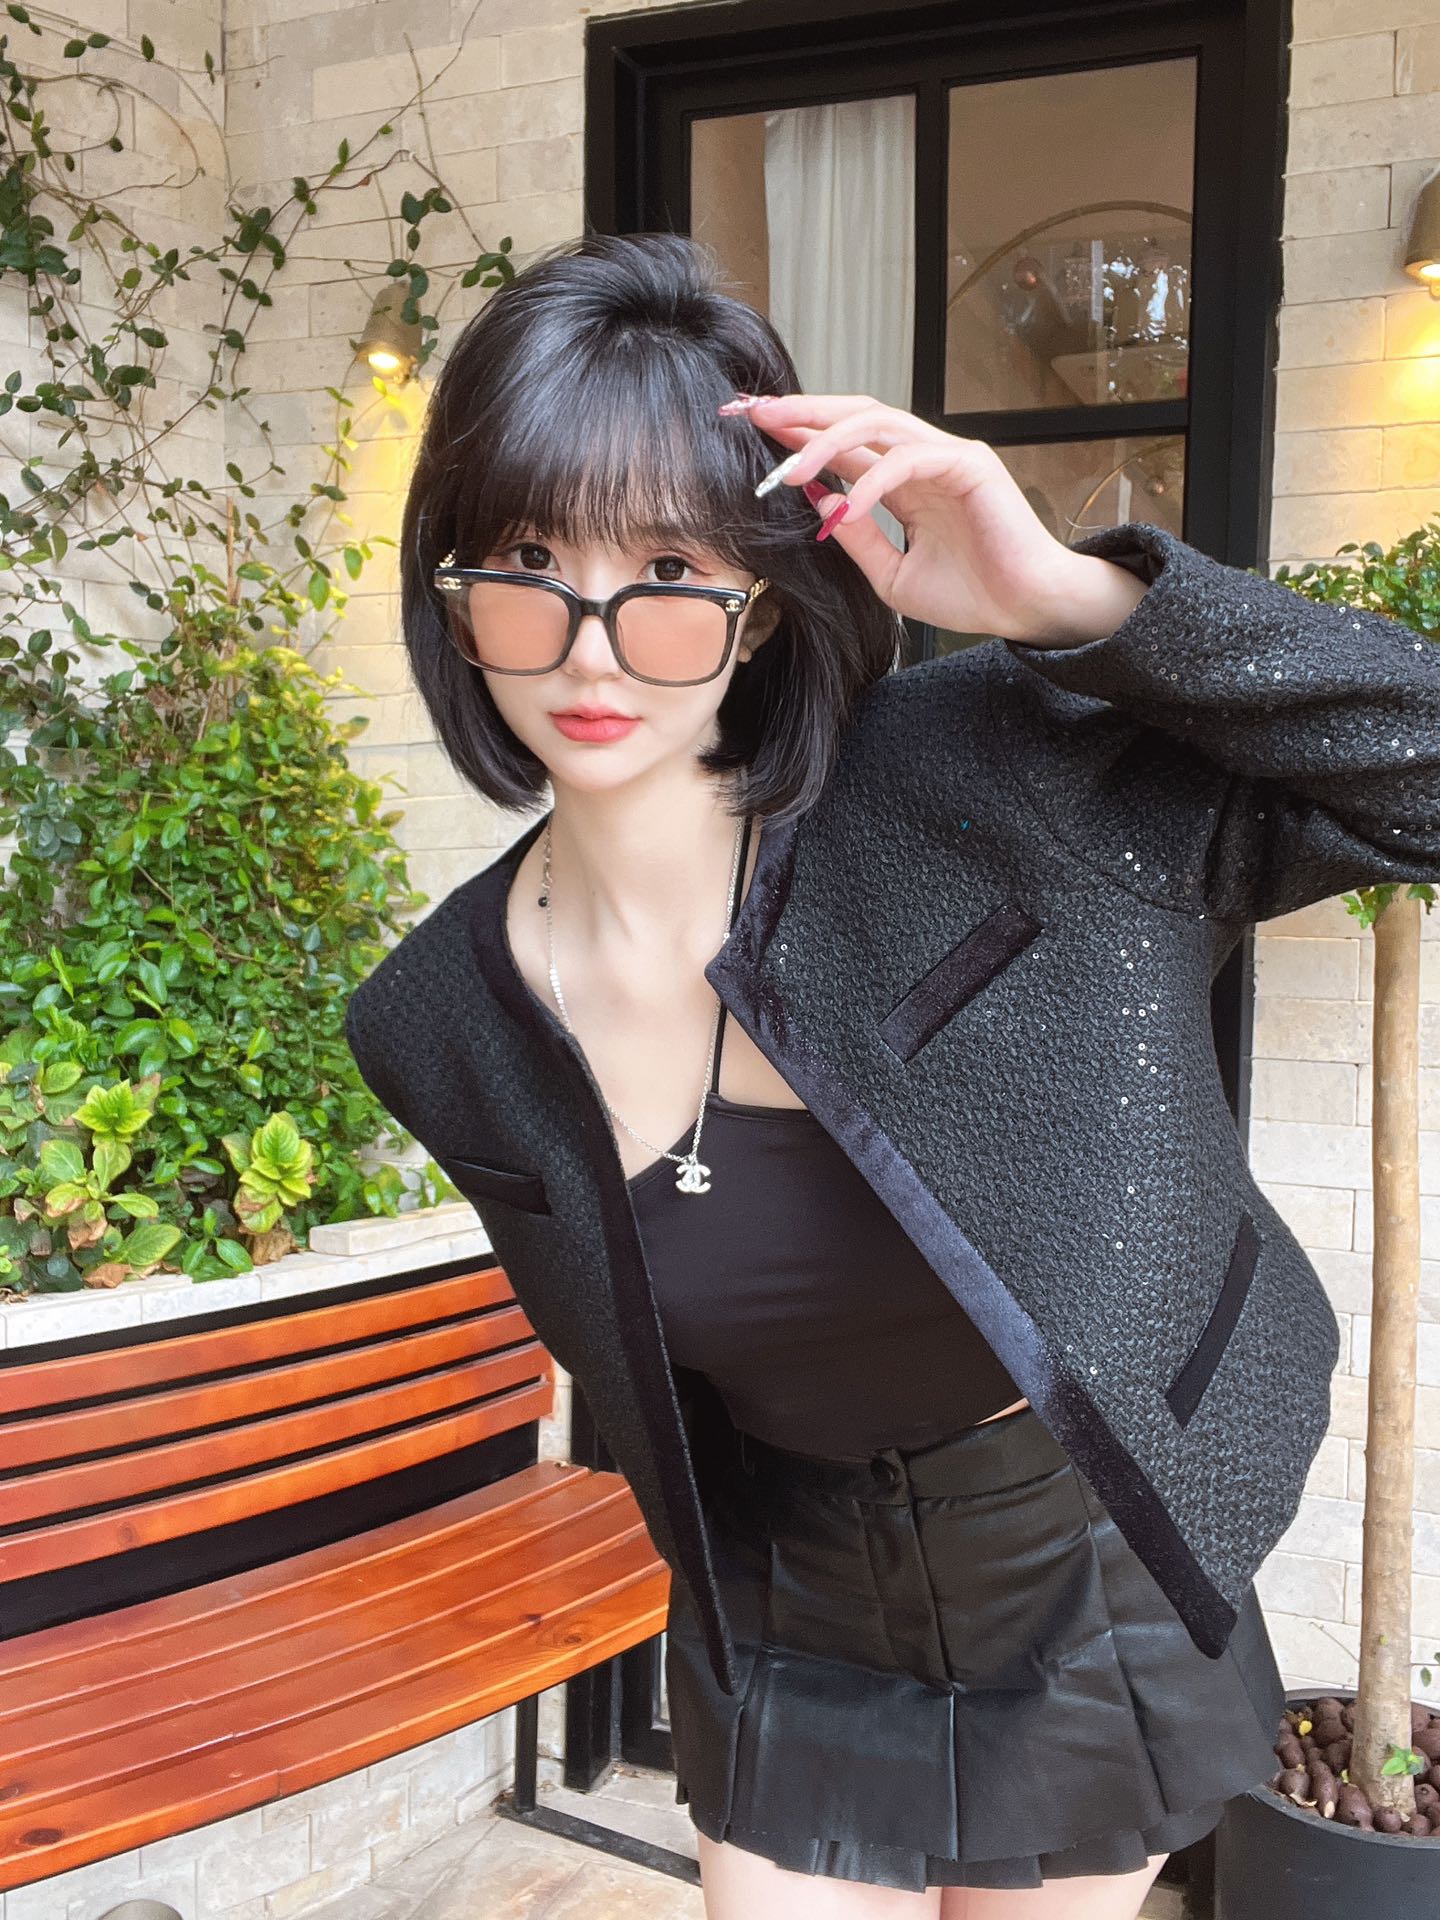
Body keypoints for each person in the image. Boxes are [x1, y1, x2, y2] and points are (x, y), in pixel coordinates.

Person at [345, 230, 1440, 1918]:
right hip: (789, 1602)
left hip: (1080, 1561)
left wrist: (1073, 601)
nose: (589, 642)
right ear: (454, 591)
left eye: (667, 564)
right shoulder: (436, 1022)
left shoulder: (980, 779)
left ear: (766, 596)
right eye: (527, 559)